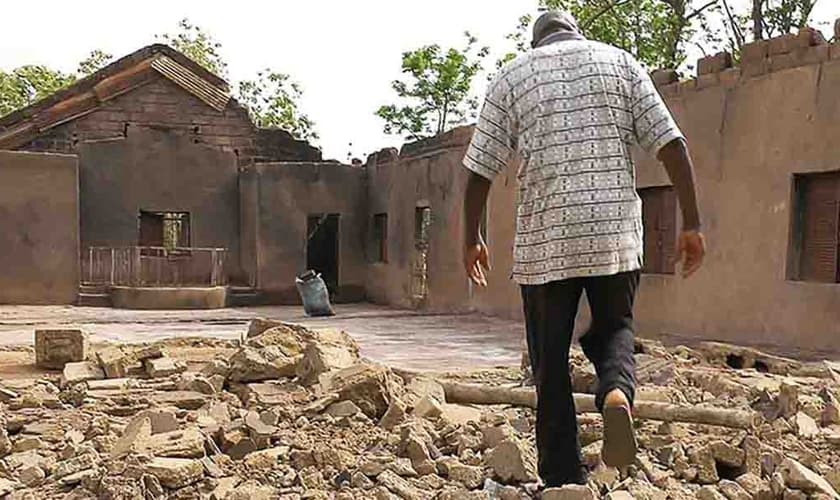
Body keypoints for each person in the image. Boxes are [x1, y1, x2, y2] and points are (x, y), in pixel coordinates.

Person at [461, 10, 706, 488]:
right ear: (576, 33)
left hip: (545, 242)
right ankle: (616, 393)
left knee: (549, 362)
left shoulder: (512, 76)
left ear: (537, 41)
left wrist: (472, 237)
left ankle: (561, 479)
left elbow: (478, 170)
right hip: (613, 234)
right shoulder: (621, 64)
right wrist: (692, 223)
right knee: (615, 326)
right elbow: (672, 144)